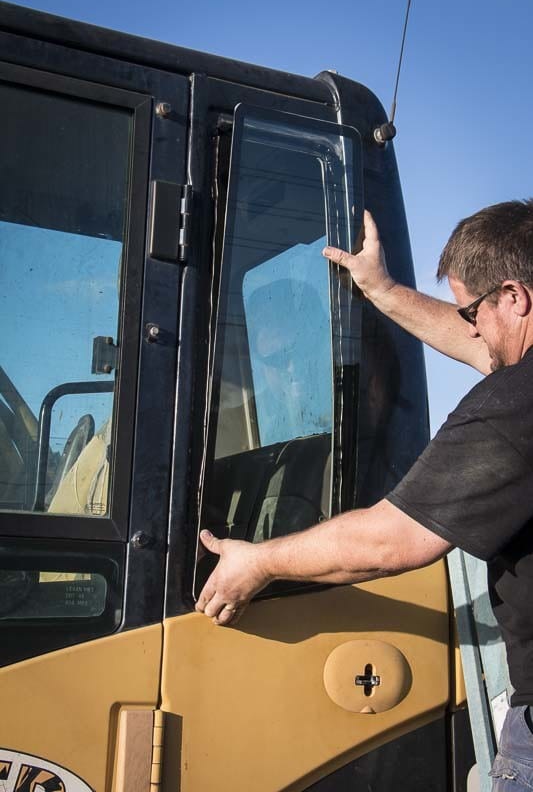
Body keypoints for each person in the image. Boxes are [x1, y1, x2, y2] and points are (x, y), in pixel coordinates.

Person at [195, 200, 533, 791]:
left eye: (472, 310)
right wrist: (381, 290)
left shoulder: (515, 404)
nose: (469, 327)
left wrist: (262, 561)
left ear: (514, 297)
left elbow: (393, 540)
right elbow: (482, 346)